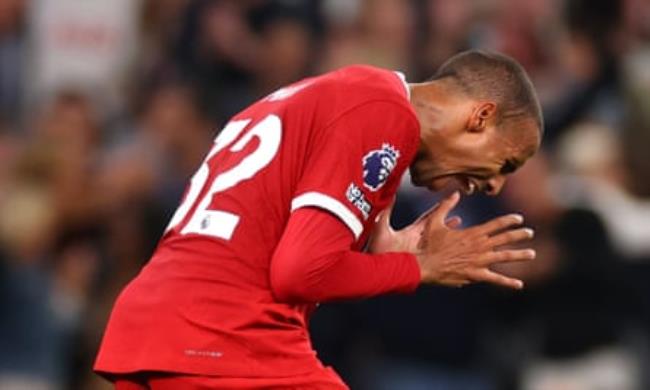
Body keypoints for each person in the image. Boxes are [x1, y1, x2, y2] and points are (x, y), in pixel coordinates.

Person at [95, 50, 543, 389]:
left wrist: (376, 255)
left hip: (159, 329)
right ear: (481, 117)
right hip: (226, 337)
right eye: (505, 163)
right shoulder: (386, 115)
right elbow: (300, 271)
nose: (495, 187)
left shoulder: (342, 95)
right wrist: (417, 268)